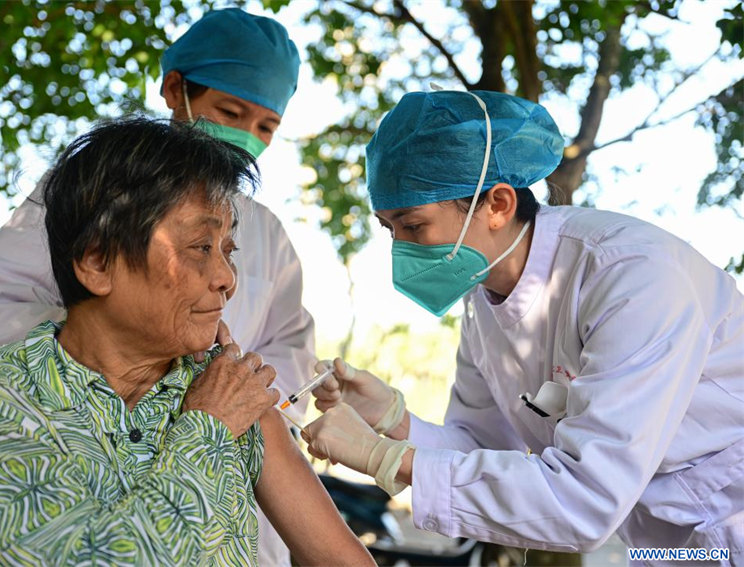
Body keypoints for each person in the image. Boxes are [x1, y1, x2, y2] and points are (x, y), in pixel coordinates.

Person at [303, 89, 744, 563]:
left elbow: (583, 499)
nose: (401, 251)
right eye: (389, 229)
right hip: (671, 545)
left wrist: (383, 458)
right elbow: (481, 446)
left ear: (497, 204)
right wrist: (393, 420)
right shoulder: (482, 300)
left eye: (413, 226)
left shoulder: (631, 275)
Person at [0, 9, 313, 565]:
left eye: (266, 126)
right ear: (175, 89)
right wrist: (115, 384)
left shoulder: (268, 233)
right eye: (230, 111)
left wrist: (228, 398)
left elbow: (288, 349)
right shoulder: (94, 194)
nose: (223, 281)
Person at [0, 117, 374, 566]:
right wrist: (207, 429)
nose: (227, 280)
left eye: (228, 251)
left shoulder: (229, 393)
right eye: (200, 248)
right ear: (96, 262)